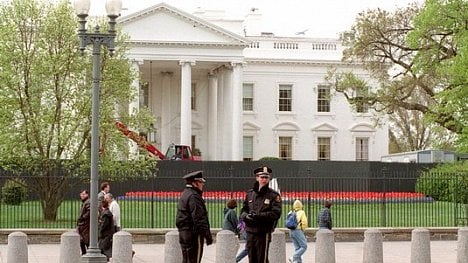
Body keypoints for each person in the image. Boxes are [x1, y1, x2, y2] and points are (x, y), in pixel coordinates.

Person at [240, 166, 282, 263]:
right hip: (250, 231)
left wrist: (258, 216)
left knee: (261, 259)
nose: (264, 179)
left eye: (266, 177)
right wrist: (246, 216)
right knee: (252, 258)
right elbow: (243, 210)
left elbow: (275, 213)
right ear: (257, 177)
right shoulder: (250, 194)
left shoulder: (273, 195)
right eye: (262, 177)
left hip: (263, 232)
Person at [176, 170, 213, 263]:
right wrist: (207, 235)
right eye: (201, 182)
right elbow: (199, 218)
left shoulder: (185, 193)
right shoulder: (194, 196)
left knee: (186, 260)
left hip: (184, 233)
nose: (202, 185)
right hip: (193, 234)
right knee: (194, 260)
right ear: (195, 183)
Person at [76, 189, 90, 255]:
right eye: (81, 194)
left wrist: (82, 218)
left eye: (84, 194)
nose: (82, 195)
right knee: (82, 240)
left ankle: (85, 253)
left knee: (85, 240)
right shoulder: (85, 202)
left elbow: (89, 211)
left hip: (85, 225)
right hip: (83, 225)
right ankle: (84, 253)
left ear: (87, 195)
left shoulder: (87, 202)